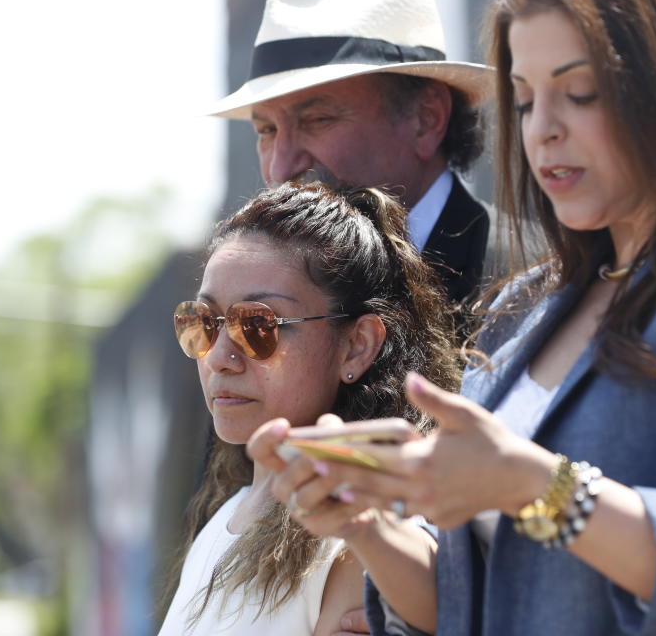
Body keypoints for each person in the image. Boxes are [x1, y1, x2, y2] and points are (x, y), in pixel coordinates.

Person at [247, 0, 656, 634]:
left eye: (578, 92)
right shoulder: (524, 307)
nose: (543, 128)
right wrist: (371, 524)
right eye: (525, 101)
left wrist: (536, 486)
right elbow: (471, 606)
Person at [157, 182, 460, 635]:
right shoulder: (221, 519)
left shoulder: (366, 537)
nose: (220, 356)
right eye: (202, 322)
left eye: (258, 325)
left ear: (357, 346)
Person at [208, 0, 494, 311]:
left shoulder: (526, 282)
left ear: (426, 119)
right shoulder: (260, 297)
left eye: (317, 120)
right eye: (267, 131)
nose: (280, 168)